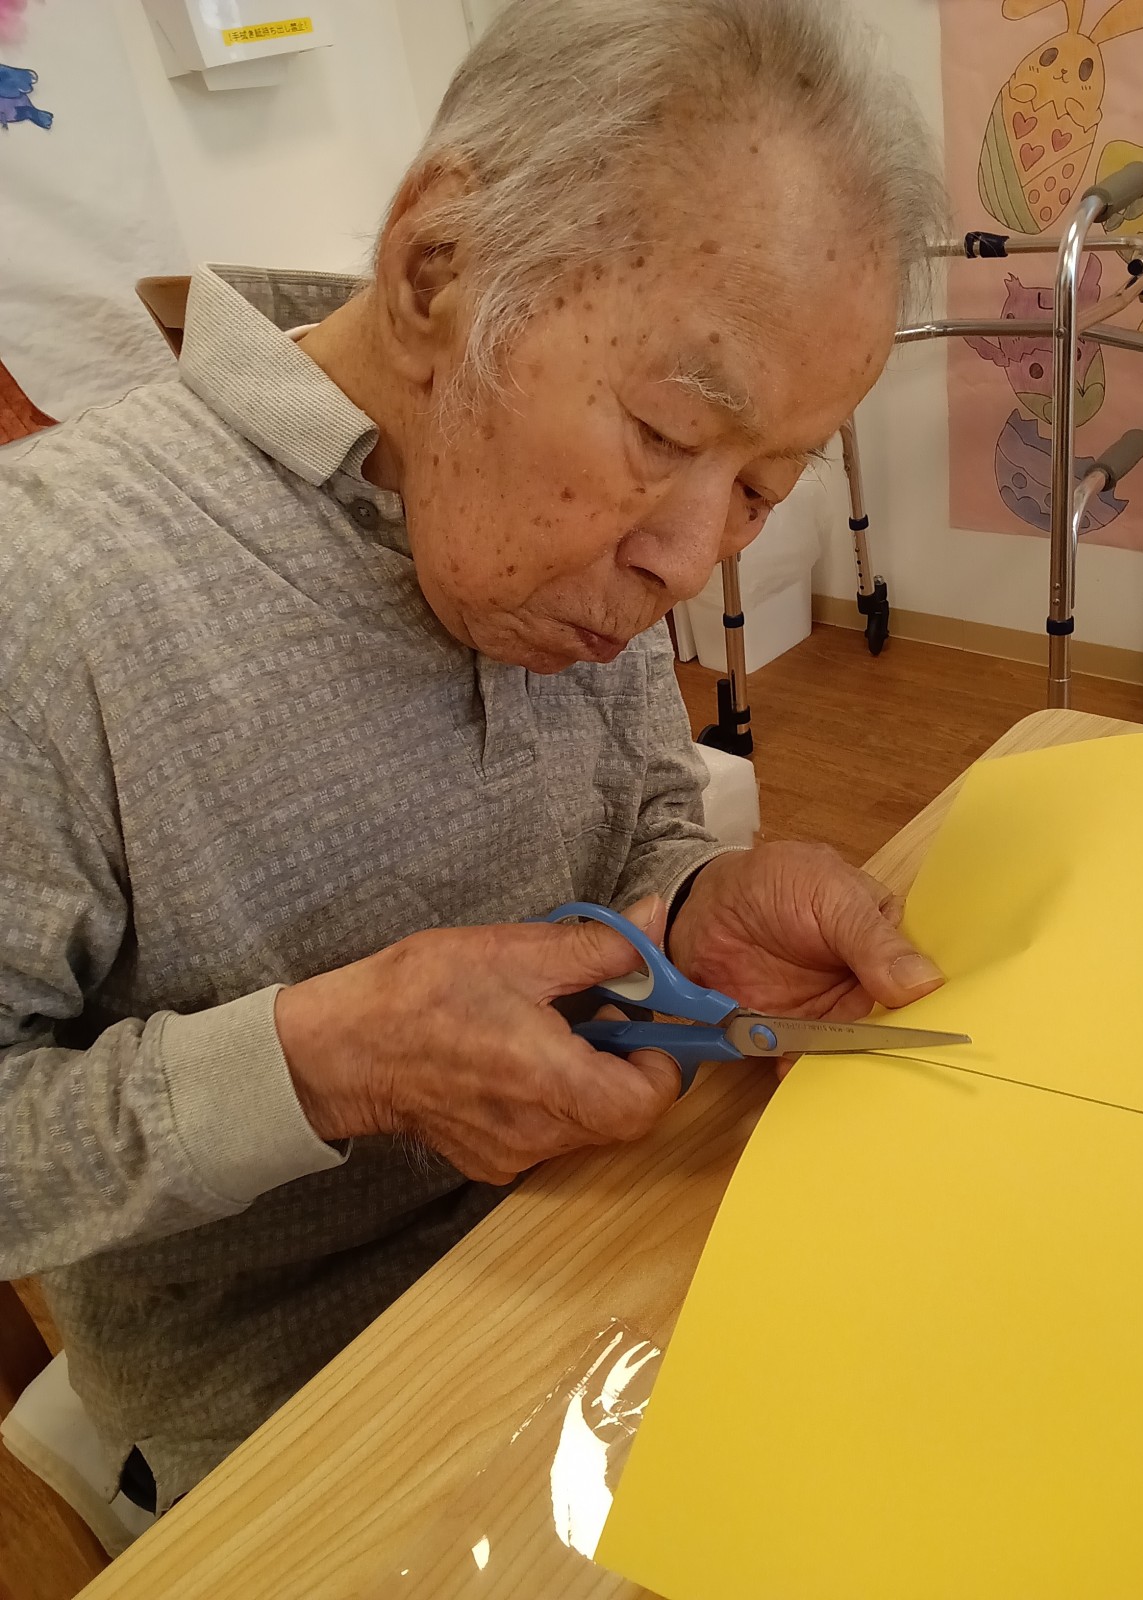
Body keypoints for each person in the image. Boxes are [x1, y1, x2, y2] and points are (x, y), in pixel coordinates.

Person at [0, 0, 946, 1513]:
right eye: (663, 434)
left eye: (763, 487)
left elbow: (638, 820)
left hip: (613, 1240)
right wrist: (323, 1065)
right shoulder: (44, 593)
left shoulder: (557, 524)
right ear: (440, 272)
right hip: (307, 1422)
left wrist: (694, 908)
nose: (688, 560)